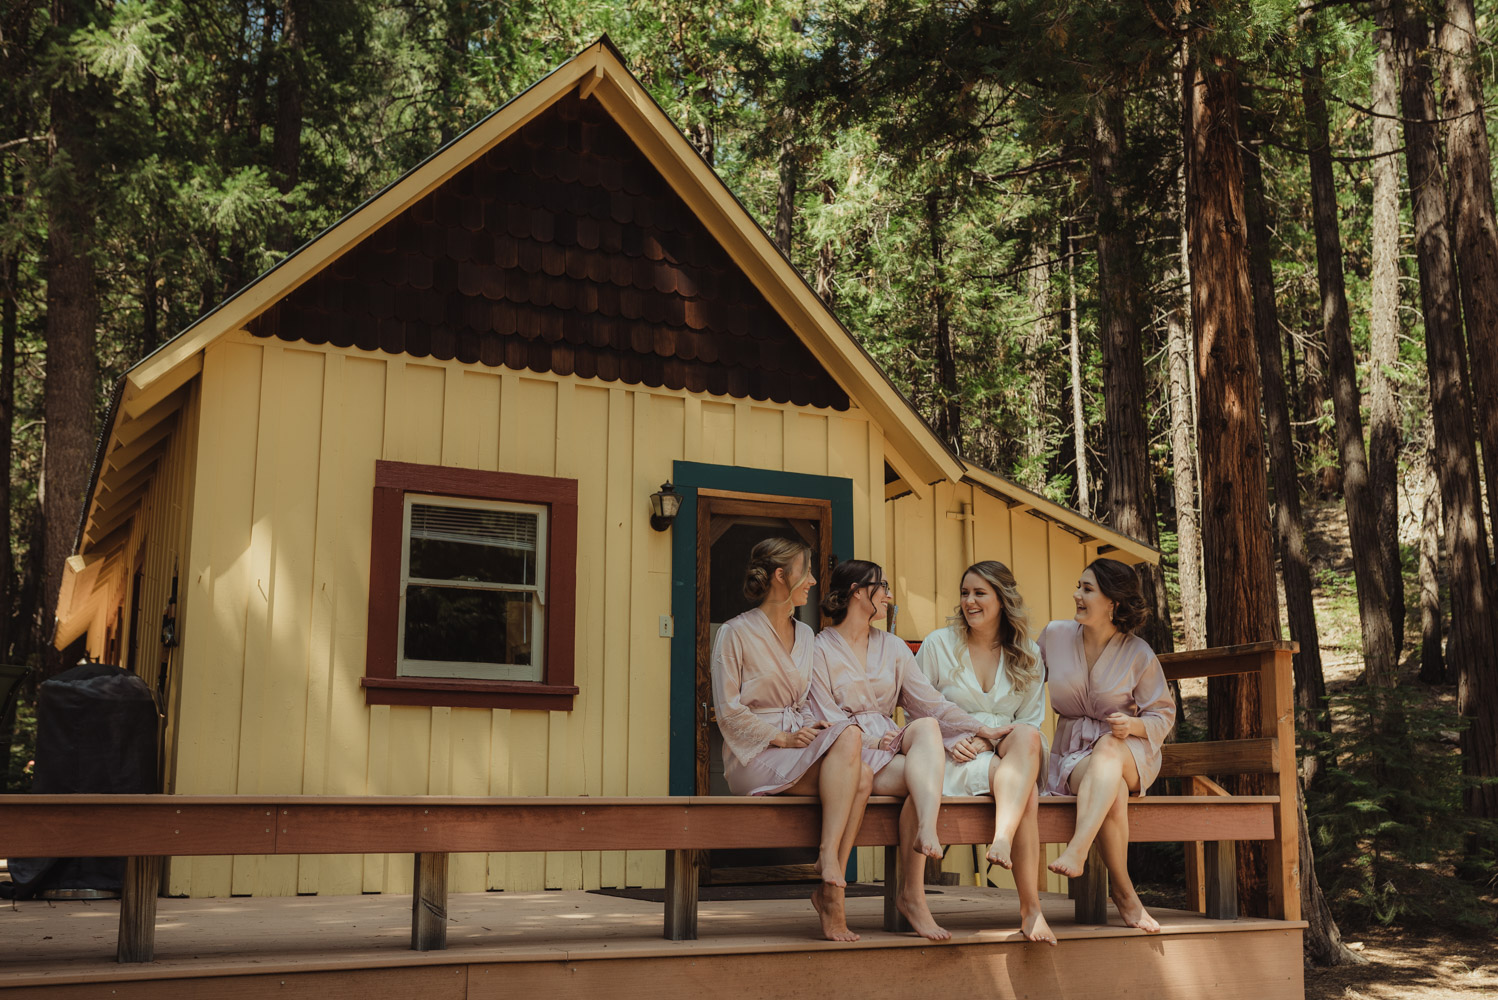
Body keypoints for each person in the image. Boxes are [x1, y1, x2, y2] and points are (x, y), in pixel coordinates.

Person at [811, 559, 1011, 941]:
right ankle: (902, 896)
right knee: (923, 775)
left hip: (888, 749)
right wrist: (870, 740)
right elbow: (824, 715)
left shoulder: (893, 647)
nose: (888, 595)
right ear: (857, 592)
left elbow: (930, 703)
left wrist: (978, 726)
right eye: (881, 586)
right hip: (847, 754)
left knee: (927, 729)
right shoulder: (820, 648)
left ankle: (924, 835)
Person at [711, 537, 874, 942]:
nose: (814, 581)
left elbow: (807, 701)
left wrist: (813, 730)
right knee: (859, 779)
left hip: (796, 742)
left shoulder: (806, 635)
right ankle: (832, 890)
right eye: (806, 572)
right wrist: (782, 737)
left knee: (861, 766)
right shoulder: (734, 633)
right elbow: (727, 711)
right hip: (754, 754)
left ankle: (828, 877)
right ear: (781, 576)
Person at [916, 560, 1055, 946]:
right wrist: (949, 740)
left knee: (1027, 736)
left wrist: (989, 740)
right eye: (965, 593)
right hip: (952, 756)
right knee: (1025, 792)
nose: (969, 601)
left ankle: (1002, 840)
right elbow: (916, 708)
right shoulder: (938, 645)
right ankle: (1031, 909)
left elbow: (1030, 718)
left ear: (1002, 598)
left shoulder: (1027, 652)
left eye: (980, 593)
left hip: (1009, 749)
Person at [1040, 557, 1175, 933]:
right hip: (1072, 754)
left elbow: (1163, 715)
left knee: (1109, 750)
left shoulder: (1138, 654)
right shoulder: (1054, 636)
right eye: (1078, 586)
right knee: (1110, 788)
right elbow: (1023, 682)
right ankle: (1124, 892)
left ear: (1113, 602)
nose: (1076, 595)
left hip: (1131, 750)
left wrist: (1132, 724)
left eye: (1087, 589)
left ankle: (1078, 848)